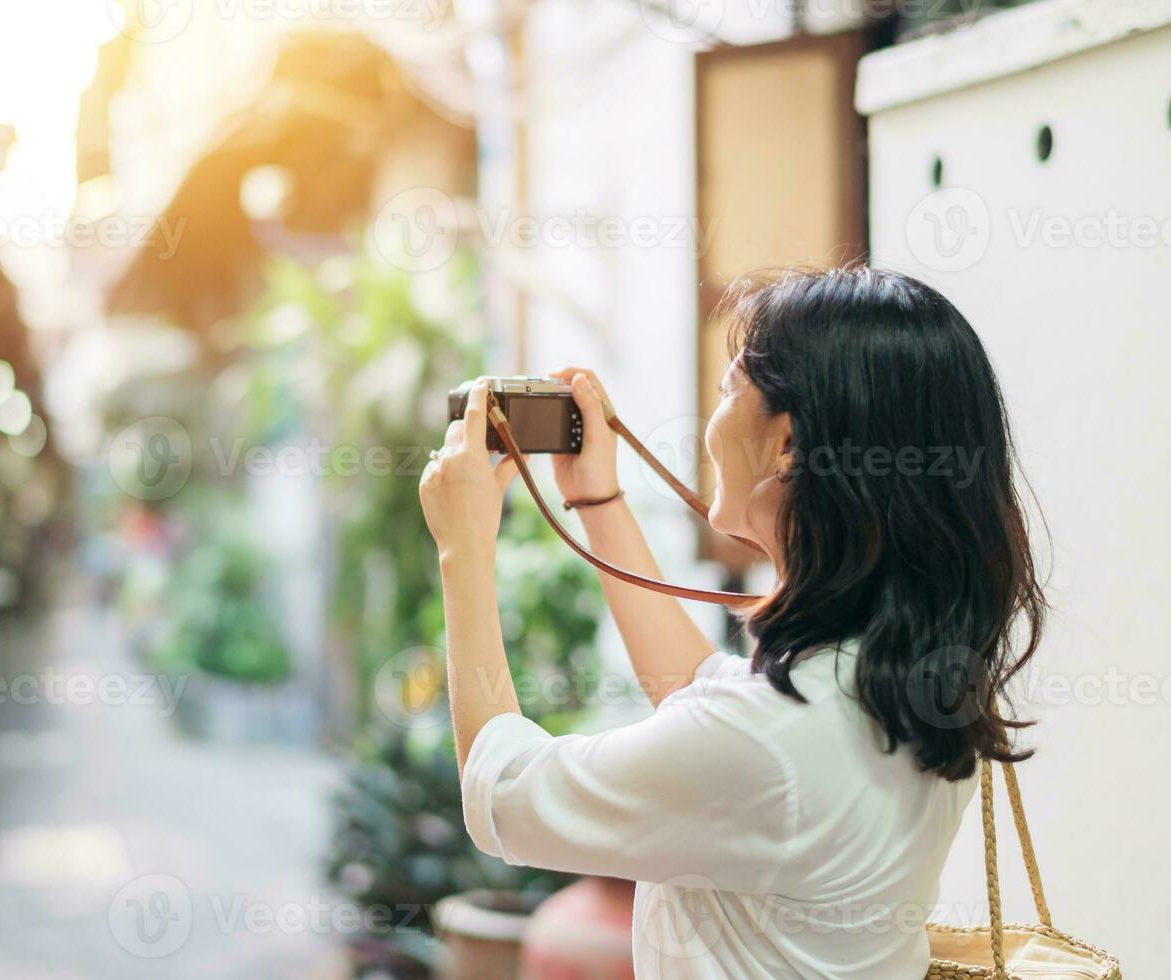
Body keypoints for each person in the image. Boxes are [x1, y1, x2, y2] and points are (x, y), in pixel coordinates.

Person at [417, 265, 1046, 979]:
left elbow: (501, 794)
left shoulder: (772, 740)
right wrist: (599, 502)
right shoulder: (912, 678)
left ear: (786, 446)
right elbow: (699, 695)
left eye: (727, 392)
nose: (711, 420)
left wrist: (462, 549)